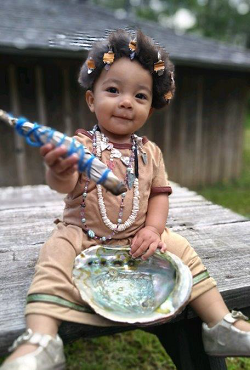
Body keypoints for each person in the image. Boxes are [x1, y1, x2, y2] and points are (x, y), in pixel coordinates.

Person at [1, 29, 250, 370]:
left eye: (141, 95)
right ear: (92, 99)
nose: (126, 101)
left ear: (152, 105)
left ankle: (220, 324)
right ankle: (42, 338)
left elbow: (159, 196)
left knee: (183, 248)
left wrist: (153, 229)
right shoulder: (81, 146)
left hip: (135, 236)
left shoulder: (149, 153)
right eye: (113, 90)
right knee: (54, 255)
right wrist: (58, 168)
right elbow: (65, 183)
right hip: (83, 234)